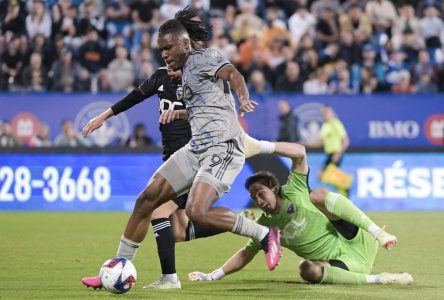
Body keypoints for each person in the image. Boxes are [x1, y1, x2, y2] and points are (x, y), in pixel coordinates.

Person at [81, 6, 281, 289]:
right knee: (146, 200)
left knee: (196, 212)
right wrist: (179, 113)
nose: (163, 54)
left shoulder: (206, 58)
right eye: (160, 49)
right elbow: (205, 107)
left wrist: (243, 95)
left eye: (168, 48)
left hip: (223, 148)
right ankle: (117, 268)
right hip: (196, 148)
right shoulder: (180, 74)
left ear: (185, 44)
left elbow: (233, 73)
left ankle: (263, 234)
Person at [188, 142, 413, 285]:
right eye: (254, 197)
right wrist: (213, 275)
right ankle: (380, 279)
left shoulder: (294, 189)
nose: (258, 200)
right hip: (342, 266)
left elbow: (300, 153)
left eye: (261, 193)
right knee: (306, 269)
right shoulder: (266, 226)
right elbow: (245, 254)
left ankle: (377, 232)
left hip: (357, 240)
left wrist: (260, 146)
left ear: (274, 188)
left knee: (318, 195)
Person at [307, 105, 350, 196]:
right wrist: (307, 144)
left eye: (327, 112)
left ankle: (345, 188)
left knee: (323, 175)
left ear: (331, 112)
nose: (325, 114)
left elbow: (346, 141)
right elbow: (321, 142)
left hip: (335, 154)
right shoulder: (325, 125)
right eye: (323, 113)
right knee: (322, 176)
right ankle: (344, 187)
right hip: (329, 154)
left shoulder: (336, 123)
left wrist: (338, 153)